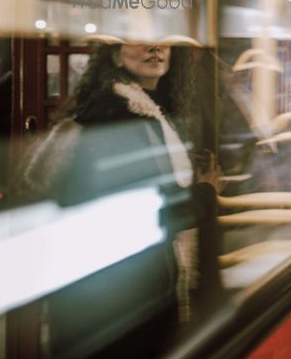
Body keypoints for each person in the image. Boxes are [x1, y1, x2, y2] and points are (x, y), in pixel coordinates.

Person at [20, 40, 219, 357]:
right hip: (121, 302)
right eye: (139, 42)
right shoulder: (117, 116)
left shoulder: (135, 108)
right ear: (114, 55)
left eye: (163, 43)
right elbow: (147, 215)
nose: (155, 49)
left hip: (115, 296)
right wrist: (206, 193)